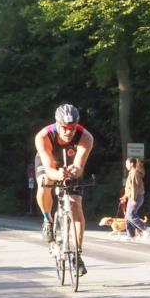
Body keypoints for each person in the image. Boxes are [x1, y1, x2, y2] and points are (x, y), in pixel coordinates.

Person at [35, 103, 94, 276]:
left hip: (69, 165)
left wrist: (75, 170)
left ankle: (77, 254)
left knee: (76, 205)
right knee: (44, 182)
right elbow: (49, 168)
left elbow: (79, 166)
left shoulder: (86, 137)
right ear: (57, 123)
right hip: (50, 164)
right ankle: (48, 219)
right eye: (65, 128)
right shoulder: (44, 136)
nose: (69, 132)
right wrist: (57, 175)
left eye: (73, 128)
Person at [122, 157, 150, 241]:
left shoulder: (134, 173)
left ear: (131, 164)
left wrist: (133, 199)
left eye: (127, 164)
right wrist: (125, 196)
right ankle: (131, 235)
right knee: (128, 216)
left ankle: (145, 229)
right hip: (133, 197)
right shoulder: (132, 172)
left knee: (130, 215)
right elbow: (130, 187)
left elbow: (134, 187)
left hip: (136, 197)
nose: (126, 165)